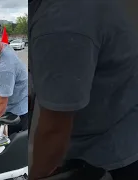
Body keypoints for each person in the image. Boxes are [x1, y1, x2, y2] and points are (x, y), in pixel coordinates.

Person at [29, 0, 138, 179]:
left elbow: (54, 129)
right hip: (118, 127)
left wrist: (35, 175)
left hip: (110, 156)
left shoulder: (60, 20)